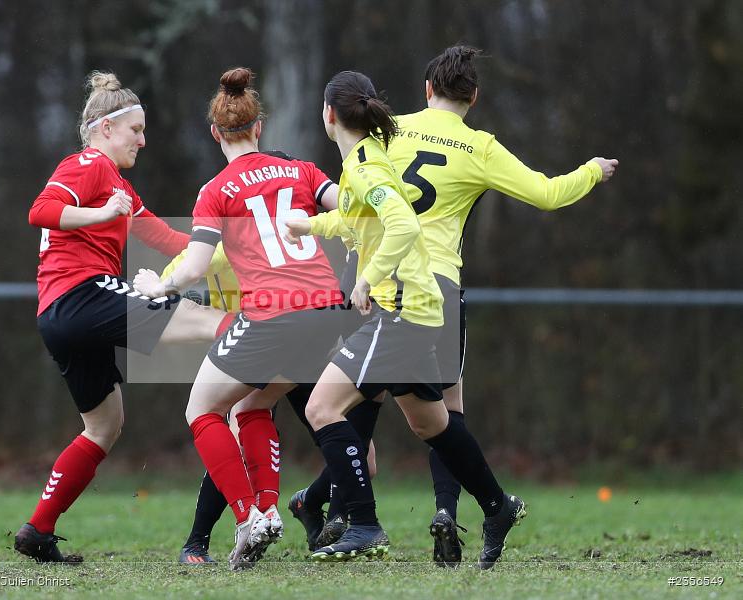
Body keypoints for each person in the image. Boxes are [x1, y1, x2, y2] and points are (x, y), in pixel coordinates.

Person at [384, 45, 618, 567]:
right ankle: (470, 508)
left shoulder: (391, 130)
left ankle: (429, 512)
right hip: (438, 289)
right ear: (475, 97)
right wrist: (592, 171)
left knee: (370, 402)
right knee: (442, 409)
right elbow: (548, 194)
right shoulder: (479, 147)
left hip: (380, 284)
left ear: (427, 90)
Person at [285, 70, 523, 566]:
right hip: (420, 305)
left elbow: (400, 222)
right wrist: (308, 222)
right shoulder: (367, 158)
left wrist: (367, 279)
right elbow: (356, 219)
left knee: (322, 408)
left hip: (401, 309)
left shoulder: (367, 165)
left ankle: (365, 525)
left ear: (328, 114)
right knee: (431, 423)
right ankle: (498, 507)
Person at [131, 68, 343, 570]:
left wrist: (155, 287)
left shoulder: (215, 190)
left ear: (214, 133)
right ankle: (269, 508)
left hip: (274, 314)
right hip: (328, 311)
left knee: (201, 411)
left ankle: (249, 516)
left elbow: (196, 267)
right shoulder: (304, 171)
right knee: (251, 405)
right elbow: (352, 208)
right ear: (259, 128)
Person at [14, 71, 230, 563]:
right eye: (135, 129)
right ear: (105, 128)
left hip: (60, 315)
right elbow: (40, 211)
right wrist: (99, 214)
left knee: (105, 426)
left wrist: (232, 243)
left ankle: (38, 529)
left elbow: (171, 242)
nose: (143, 139)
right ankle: (269, 341)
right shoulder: (88, 163)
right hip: (80, 296)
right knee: (207, 322)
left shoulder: (119, 188)